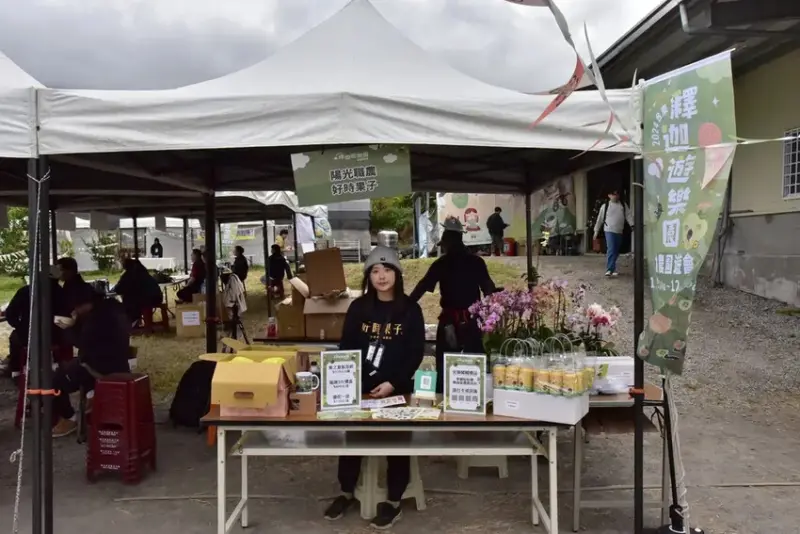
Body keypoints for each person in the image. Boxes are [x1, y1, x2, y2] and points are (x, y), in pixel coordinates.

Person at [324, 246, 425, 529]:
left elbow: (415, 352)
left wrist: (392, 383)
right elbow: (348, 346)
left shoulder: (410, 310)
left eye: (387, 270)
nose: (381, 277)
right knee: (353, 439)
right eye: (375, 271)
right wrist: (362, 381)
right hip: (363, 388)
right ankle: (346, 492)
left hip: (398, 388)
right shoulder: (359, 308)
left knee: (397, 441)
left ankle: (393, 501)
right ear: (368, 276)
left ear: (398, 274)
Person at [410, 217, 496, 393]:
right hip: (470, 320)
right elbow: (489, 288)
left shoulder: (443, 263)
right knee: (474, 361)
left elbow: (422, 287)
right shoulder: (475, 262)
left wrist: (406, 304)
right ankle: (474, 395)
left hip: (458, 320)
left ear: (448, 241)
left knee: (445, 363)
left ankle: (444, 394)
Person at [52, 291, 131, 437]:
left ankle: (69, 418)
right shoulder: (114, 309)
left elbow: (81, 343)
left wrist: (70, 327)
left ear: (86, 304)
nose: (74, 310)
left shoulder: (95, 319)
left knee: (55, 379)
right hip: (120, 363)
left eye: (76, 307)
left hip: (100, 367)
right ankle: (92, 394)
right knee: (80, 363)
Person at [5, 265, 70, 377]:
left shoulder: (25, 291)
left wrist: (20, 327)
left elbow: (10, 313)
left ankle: (15, 372)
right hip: (52, 335)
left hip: (29, 334)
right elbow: (66, 317)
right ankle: (57, 367)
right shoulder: (61, 293)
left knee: (14, 338)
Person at [593, 189, 633, 277]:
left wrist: (632, 225)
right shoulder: (605, 206)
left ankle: (612, 268)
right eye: (613, 194)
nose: (615, 196)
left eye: (617, 194)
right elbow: (599, 219)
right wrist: (596, 231)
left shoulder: (623, 205)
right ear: (609, 195)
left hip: (619, 230)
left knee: (616, 250)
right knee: (611, 248)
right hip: (609, 230)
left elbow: (628, 215)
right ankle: (609, 269)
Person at [113, 258, 164, 324]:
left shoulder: (129, 275)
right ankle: (138, 322)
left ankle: (134, 322)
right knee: (133, 298)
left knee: (128, 300)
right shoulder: (144, 272)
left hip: (146, 300)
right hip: (157, 297)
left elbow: (118, 289)